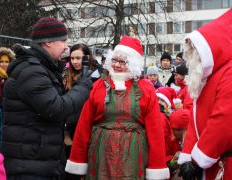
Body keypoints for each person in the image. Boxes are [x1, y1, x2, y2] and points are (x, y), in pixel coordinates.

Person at [65, 36, 170, 179]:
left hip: (134, 156)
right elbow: (84, 126)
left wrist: (156, 166)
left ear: (133, 65)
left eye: (123, 62)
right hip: (100, 155)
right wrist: (78, 160)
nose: (117, 65)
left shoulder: (146, 88)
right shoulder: (98, 86)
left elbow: (155, 131)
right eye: (115, 60)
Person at [1, 17, 93, 180]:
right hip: (30, 166)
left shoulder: (41, 68)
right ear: (48, 42)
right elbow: (57, 109)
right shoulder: (31, 71)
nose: (66, 47)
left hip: (39, 161)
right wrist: (84, 85)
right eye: (63, 40)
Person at [178, 9, 232, 180]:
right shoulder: (208, 78)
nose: (190, 56)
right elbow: (195, 122)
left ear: (210, 50)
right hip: (215, 163)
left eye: (194, 50)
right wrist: (188, 158)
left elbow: (225, 122)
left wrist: (199, 160)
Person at [64, 43, 101, 180]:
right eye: (72, 58)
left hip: (89, 127)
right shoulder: (66, 75)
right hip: (70, 129)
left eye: (78, 58)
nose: (75, 62)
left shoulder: (97, 75)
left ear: (87, 58)